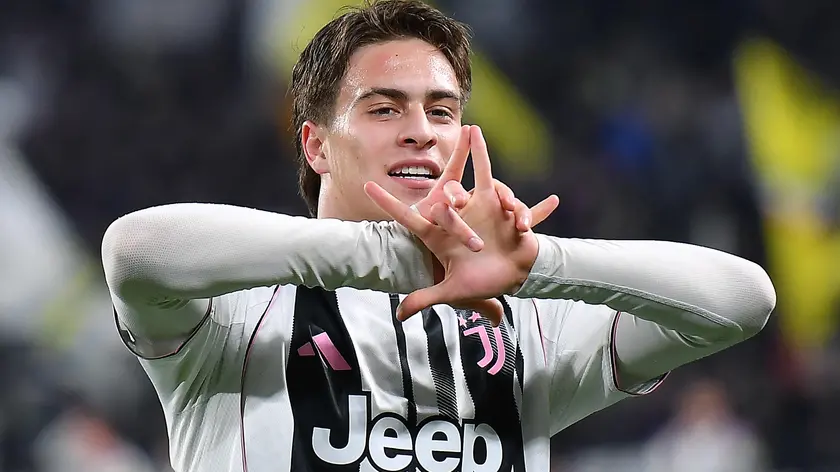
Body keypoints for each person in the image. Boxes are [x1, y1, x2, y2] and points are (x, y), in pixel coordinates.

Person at [100, 1, 777, 471]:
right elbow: (135, 253)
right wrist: (399, 257)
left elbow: (742, 300)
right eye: (384, 108)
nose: (421, 130)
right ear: (316, 146)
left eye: (442, 110)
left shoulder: (524, 325)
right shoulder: (240, 307)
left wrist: (539, 262)